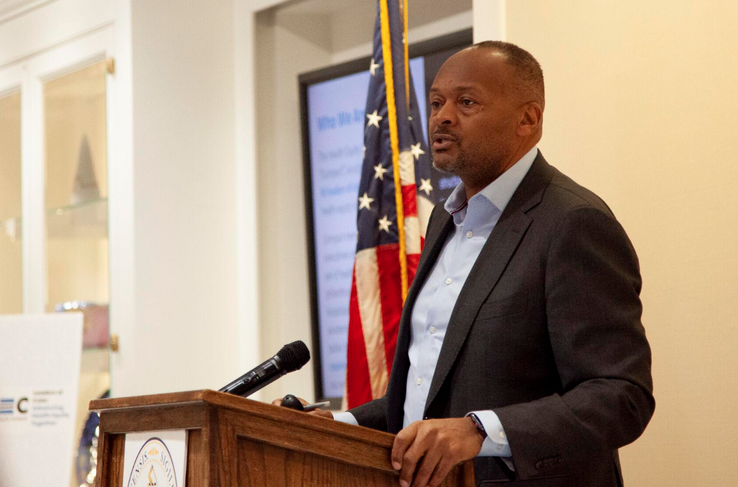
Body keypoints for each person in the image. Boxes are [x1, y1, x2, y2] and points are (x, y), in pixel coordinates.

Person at [278, 41, 654, 487]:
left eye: (467, 102)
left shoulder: (573, 223)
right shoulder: (443, 220)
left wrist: (479, 431)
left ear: (528, 119)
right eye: (436, 102)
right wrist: (338, 424)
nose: (442, 117)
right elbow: (428, 393)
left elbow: (621, 396)